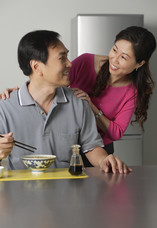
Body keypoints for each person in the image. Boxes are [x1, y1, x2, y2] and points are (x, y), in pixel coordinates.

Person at [2, 26, 156, 167]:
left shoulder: (80, 104)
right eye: (62, 58)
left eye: (124, 57)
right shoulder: (6, 107)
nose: (70, 64)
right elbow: (41, 81)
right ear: (36, 66)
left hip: (74, 177)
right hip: (21, 190)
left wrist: (105, 160)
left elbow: (93, 145)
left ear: (139, 64)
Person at [69, 26, 156, 165]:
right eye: (114, 50)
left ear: (139, 63)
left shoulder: (131, 92)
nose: (114, 60)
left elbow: (116, 132)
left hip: (100, 152)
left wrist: (91, 107)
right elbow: (52, 83)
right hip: (67, 143)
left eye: (123, 57)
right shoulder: (85, 62)